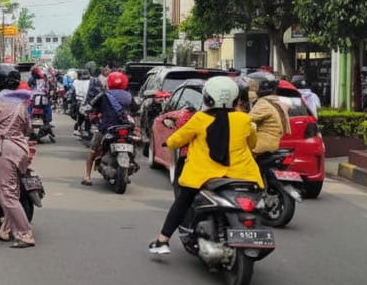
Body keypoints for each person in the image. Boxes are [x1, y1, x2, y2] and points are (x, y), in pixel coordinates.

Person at [149, 76, 264, 255]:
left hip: (204, 176)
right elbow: (252, 143)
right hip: (242, 175)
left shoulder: (199, 119)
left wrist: (168, 143)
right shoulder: (244, 120)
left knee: (183, 200)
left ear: (208, 97)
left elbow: (178, 139)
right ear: (234, 98)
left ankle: (163, 240)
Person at [0, 64, 35, 248]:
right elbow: (28, 128)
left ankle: (25, 234)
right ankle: (5, 230)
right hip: (21, 150)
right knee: (13, 192)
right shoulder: (19, 102)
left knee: (8, 195)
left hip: (4, 150)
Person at [82, 71, 134, 186]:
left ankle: (87, 176)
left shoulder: (104, 94)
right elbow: (136, 110)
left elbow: (90, 106)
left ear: (109, 81)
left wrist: (91, 114)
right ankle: (127, 172)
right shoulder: (129, 95)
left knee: (93, 150)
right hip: (126, 128)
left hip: (107, 128)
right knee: (134, 144)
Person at [248, 73, 287, 157]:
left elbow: (247, 119)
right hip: (273, 142)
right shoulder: (276, 101)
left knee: (238, 156)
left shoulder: (263, 103)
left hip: (263, 144)